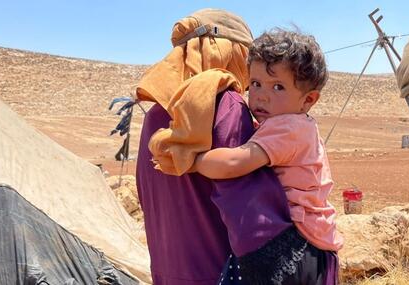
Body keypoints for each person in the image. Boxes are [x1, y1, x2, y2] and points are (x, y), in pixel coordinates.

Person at [135, 9, 296, 285]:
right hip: (220, 275)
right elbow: (254, 215)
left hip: (167, 274)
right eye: (247, 56)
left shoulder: (155, 115)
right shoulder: (226, 107)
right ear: (229, 51)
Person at [192, 28, 343, 284]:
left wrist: (193, 160)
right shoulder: (301, 125)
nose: (261, 94)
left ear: (308, 100)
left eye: (278, 87)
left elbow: (234, 163)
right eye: (255, 83)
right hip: (316, 244)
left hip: (297, 245)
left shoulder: (286, 127)